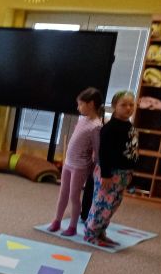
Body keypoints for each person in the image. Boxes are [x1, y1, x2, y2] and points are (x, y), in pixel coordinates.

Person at [84, 91, 138, 247]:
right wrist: (106, 174)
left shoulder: (129, 126)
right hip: (109, 173)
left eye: (131, 105)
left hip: (123, 173)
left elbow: (132, 150)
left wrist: (131, 171)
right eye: (123, 105)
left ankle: (100, 232)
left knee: (113, 205)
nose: (128, 108)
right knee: (102, 204)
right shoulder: (110, 128)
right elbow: (104, 153)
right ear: (115, 106)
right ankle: (90, 233)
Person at [48, 87, 104, 236]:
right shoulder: (82, 119)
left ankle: (72, 226)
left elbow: (97, 149)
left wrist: (96, 167)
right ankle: (57, 221)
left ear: (91, 104)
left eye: (80, 104)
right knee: (63, 193)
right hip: (68, 163)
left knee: (74, 196)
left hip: (80, 166)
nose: (78, 107)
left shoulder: (96, 126)